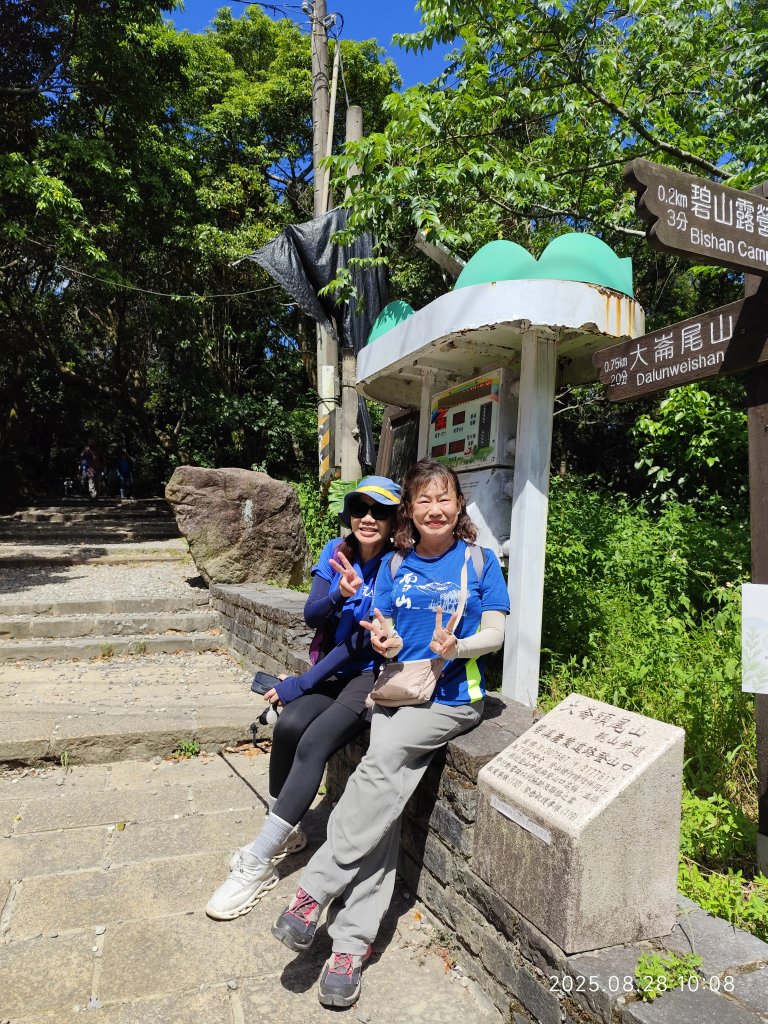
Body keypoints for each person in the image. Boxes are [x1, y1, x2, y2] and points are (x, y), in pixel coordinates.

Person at [270, 458, 510, 1008]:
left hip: (452, 700)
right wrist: (383, 637)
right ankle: (351, 947)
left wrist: (459, 647)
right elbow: (388, 633)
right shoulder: (397, 563)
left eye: (444, 498)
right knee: (384, 806)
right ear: (411, 508)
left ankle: (314, 891)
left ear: (458, 505)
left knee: (383, 762)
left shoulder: (478, 561)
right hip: (397, 690)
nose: (434, 509)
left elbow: (495, 632)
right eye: (423, 499)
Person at [206, 475, 402, 922]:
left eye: (381, 511)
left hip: (366, 673)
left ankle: (257, 864)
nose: (368, 518)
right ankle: (287, 830)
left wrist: (301, 681)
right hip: (332, 667)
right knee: (291, 723)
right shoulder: (337, 552)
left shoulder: (396, 567)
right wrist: (339, 591)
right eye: (360, 508)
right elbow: (313, 613)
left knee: (314, 743)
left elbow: (359, 645)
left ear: (395, 520)